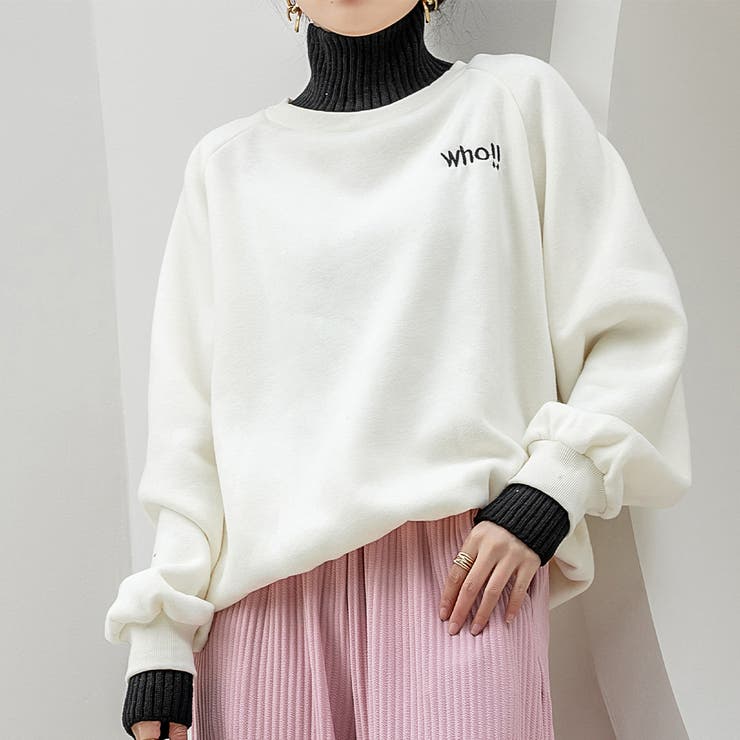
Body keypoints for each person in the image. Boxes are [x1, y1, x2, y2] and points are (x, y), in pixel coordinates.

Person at [104, 1, 692, 738]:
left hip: (461, 577)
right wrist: (161, 633)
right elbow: (188, 430)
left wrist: (551, 488)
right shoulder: (226, 167)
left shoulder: (511, 106)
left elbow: (634, 324)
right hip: (260, 608)